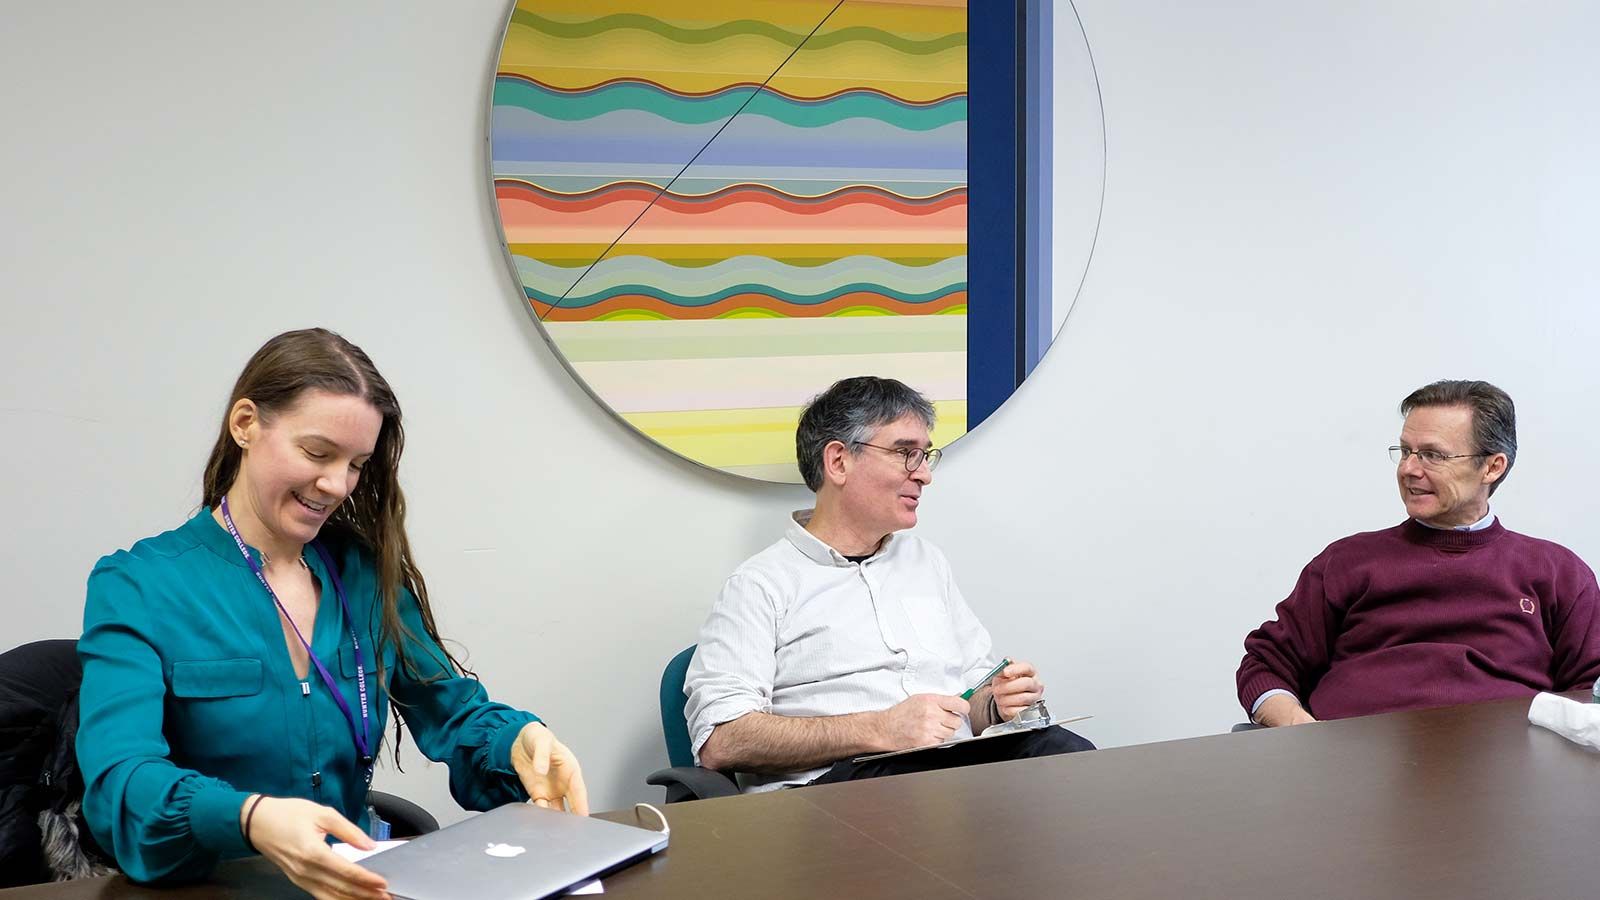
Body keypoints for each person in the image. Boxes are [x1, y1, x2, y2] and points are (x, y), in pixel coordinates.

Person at [77, 329, 588, 898]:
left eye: (356, 464)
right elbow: (120, 784)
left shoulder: (362, 575)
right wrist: (250, 818)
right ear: (245, 423)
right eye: (318, 453)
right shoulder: (139, 585)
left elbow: (452, 711)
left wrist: (515, 741)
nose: (337, 485)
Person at [685, 376, 1092, 792]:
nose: (923, 476)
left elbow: (970, 702)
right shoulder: (760, 584)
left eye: (925, 456)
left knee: (1072, 760)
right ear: (838, 462)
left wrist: (996, 704)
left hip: (955, 773)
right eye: (904, 454)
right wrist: (881, 728)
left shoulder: (926, 562)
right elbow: (721, 740)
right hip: (843, 789)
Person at [1237, 379, 1600, 727]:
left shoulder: (1557, 572)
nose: (1409, 469)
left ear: (1492, 466)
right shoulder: (1347, 561)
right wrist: (1300, 729)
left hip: (1507, 771)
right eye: (1406, 451)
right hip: (1354, 768)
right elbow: (1265, 664)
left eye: (1432, 455)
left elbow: (1591, 691)